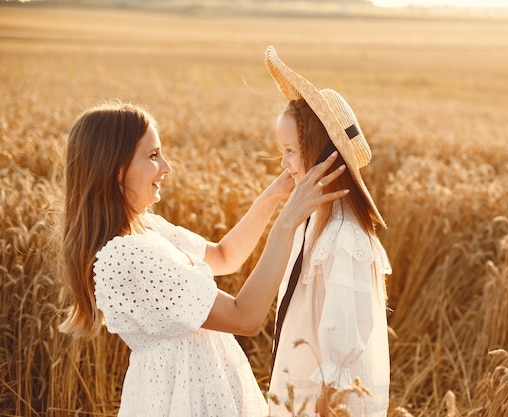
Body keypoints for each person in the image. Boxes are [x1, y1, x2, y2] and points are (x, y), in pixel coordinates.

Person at [57, 101, 349, 417]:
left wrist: (275, 195)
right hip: (183, 400)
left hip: (203, 389)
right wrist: (287, 221)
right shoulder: (130, 255)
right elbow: (245, 318)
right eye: (153, 156)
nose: (166, 167)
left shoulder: (147, 227)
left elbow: (225, 256)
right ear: (116, 170)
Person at [265, 46, 392, 417]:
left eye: (289, 151)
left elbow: (347, 336)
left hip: (324, 402)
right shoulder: (313, 223)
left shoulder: (343, 237)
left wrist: (328, 403)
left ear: (323, 157)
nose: (283, 163)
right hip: (299, 384)